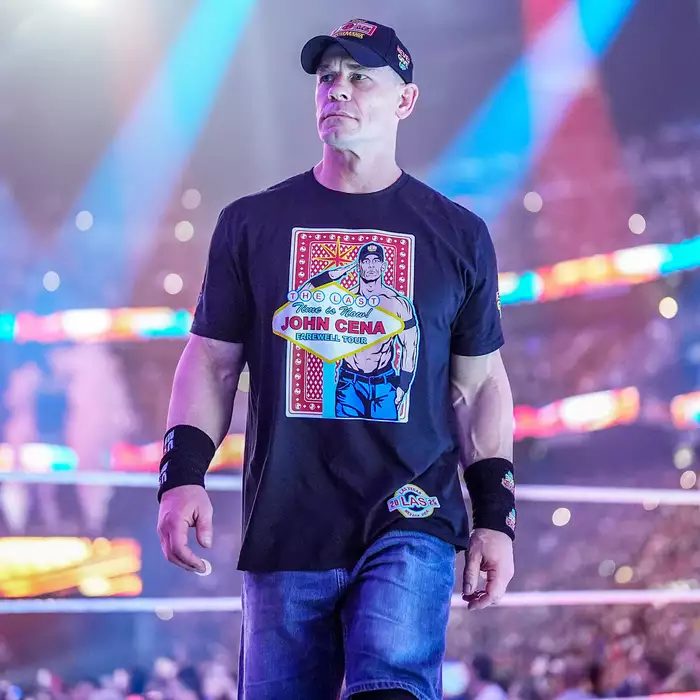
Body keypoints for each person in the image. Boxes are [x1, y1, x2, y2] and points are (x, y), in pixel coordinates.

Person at [157, 17, 516, 700]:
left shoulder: (458, 235)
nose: (337, 90)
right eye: (326, 78)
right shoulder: (252, 224)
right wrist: (181, 477)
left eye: (359, 78)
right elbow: (210, 363)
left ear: (405, 100)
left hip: (412, 512)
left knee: (392, 683)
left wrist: (495, 517)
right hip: (288, 521)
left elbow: (479, 387)